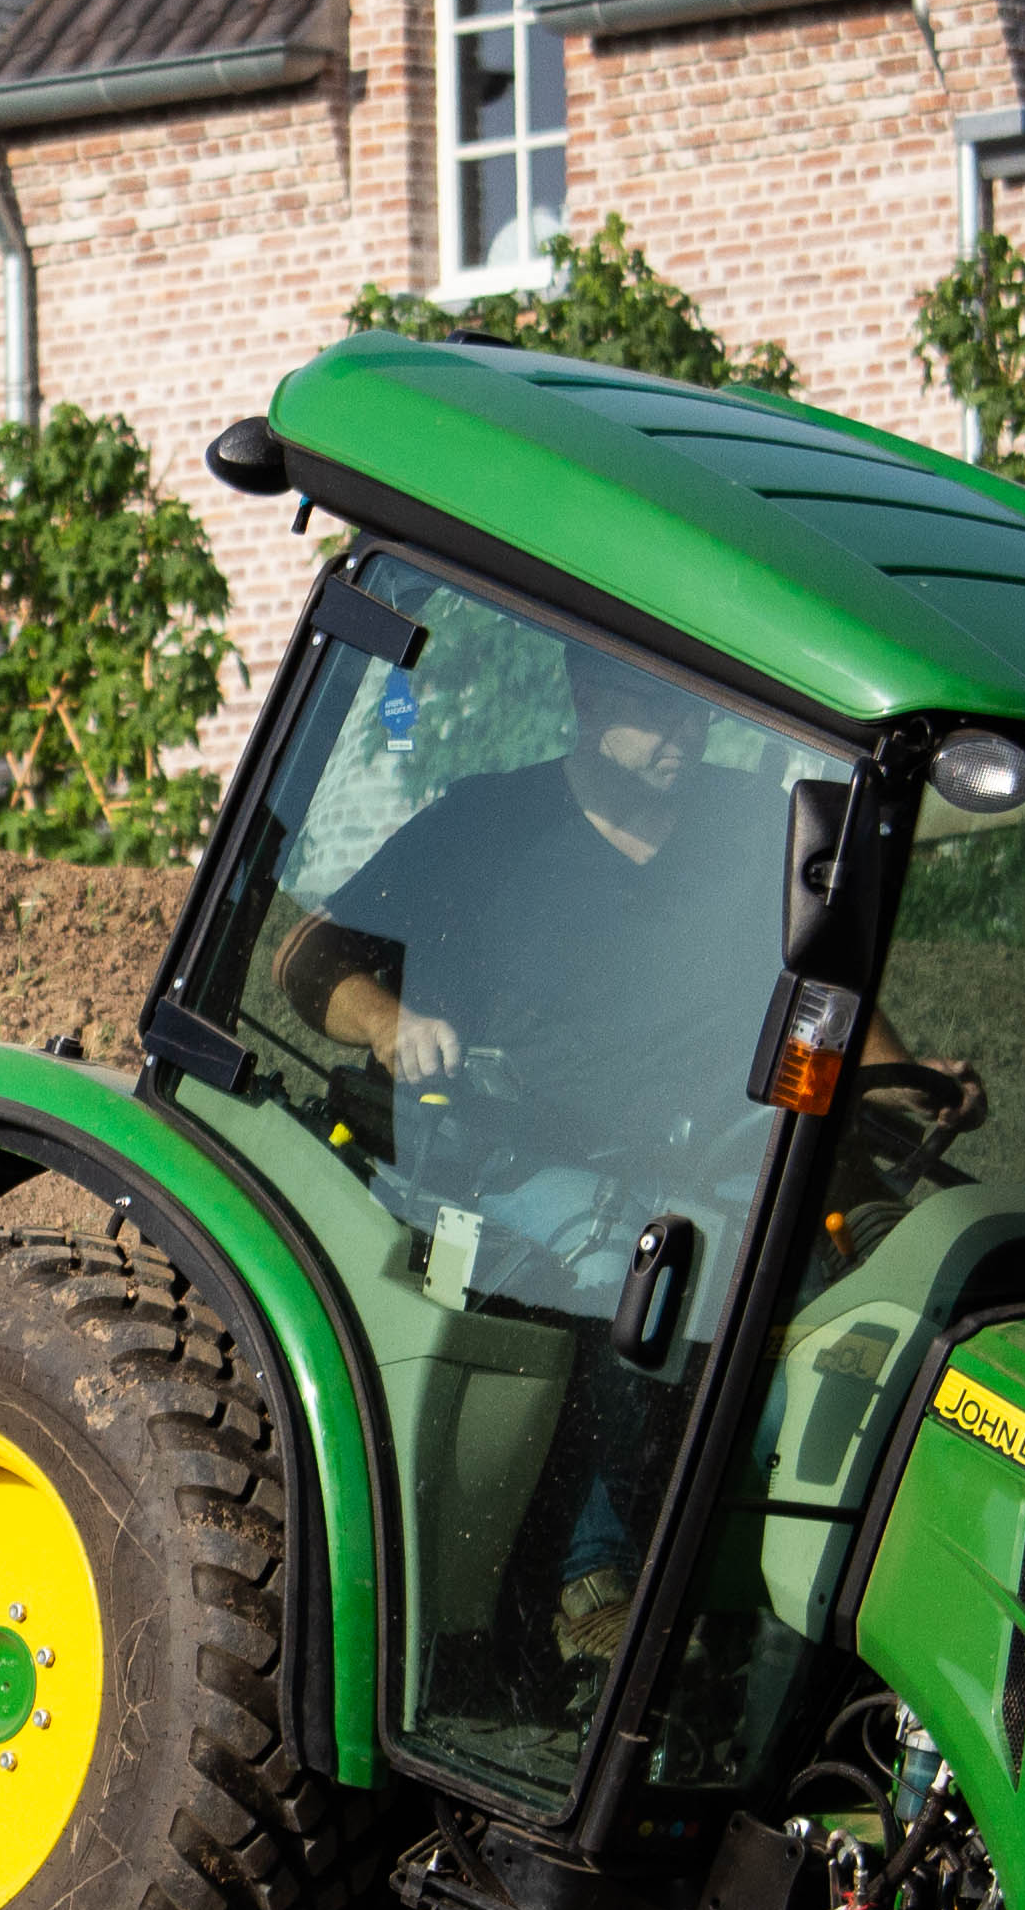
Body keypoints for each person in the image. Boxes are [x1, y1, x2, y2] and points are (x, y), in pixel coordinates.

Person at [277, 649, 974, 1669]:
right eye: (656, 714)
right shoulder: (485, 823)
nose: (682, 739)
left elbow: (823, 992)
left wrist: (902, 1076)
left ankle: (785, 1583)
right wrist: (388, 1021)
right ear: (587, 697)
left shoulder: (749, 827)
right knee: (620, 1286)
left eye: (696, 717)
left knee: (834, 1301)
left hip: (714, 1148)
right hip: (516, 1151)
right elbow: (308, 955)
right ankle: (585, 1575)